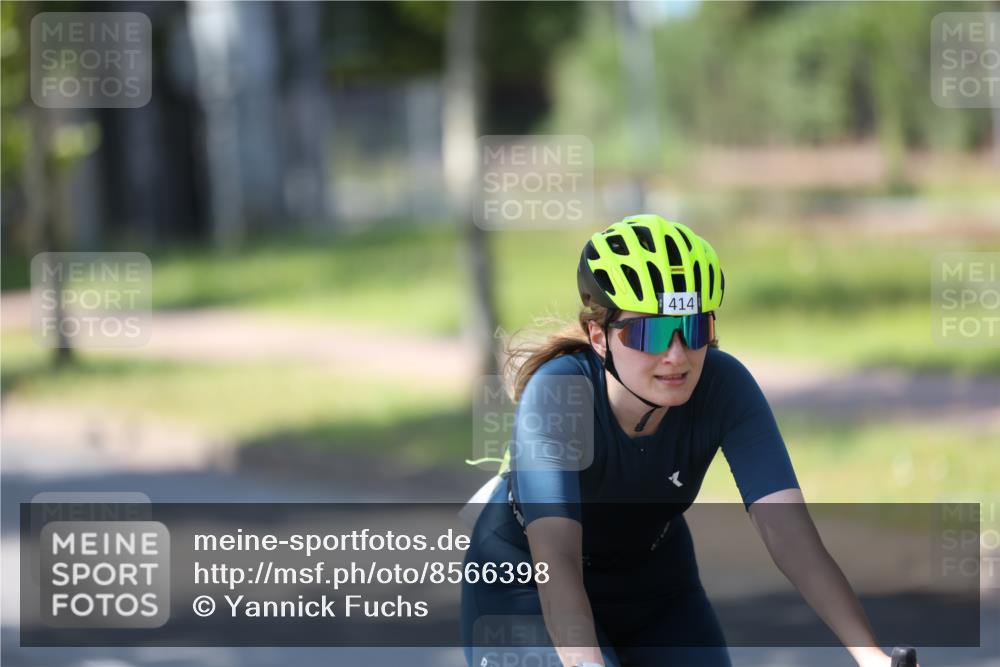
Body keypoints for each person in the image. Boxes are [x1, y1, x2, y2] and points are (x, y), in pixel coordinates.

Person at [460, 215, 916, 667]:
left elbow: (790, 536)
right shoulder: (559, 394)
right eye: (652, 332)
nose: (677, 355)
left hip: (654, 581)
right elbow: (556, 562)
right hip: (524, 581)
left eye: (695, 328)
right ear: (598, 336)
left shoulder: (723, 384)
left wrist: (870, 656)